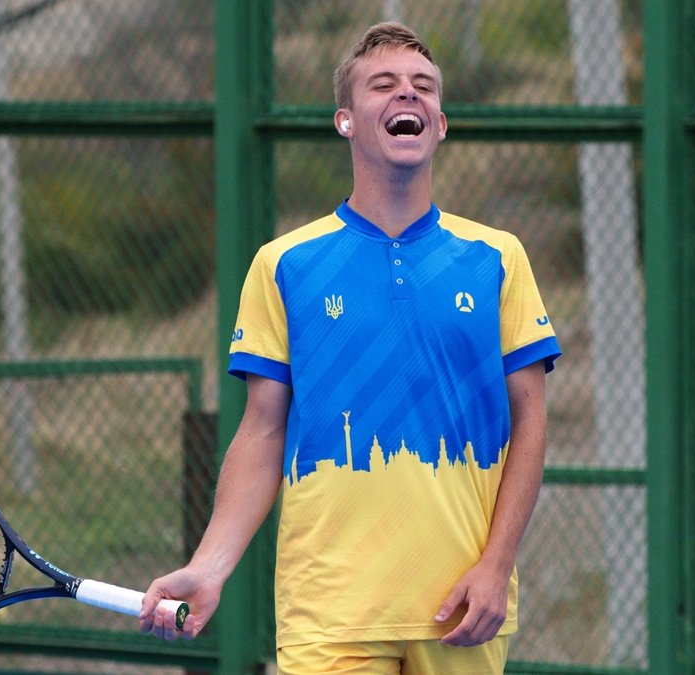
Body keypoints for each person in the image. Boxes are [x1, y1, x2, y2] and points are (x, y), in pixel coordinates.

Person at [139, 21, 560, 674]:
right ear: (345, 120)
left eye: (423, 86)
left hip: (461, 609)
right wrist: (210, 565)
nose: (407, 94)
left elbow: (530, 420)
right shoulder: (283, 264)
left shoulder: (499, 258)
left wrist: (496, 565)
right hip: (327, 614)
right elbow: (262, 430)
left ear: (440, 124)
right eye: (383, 85)